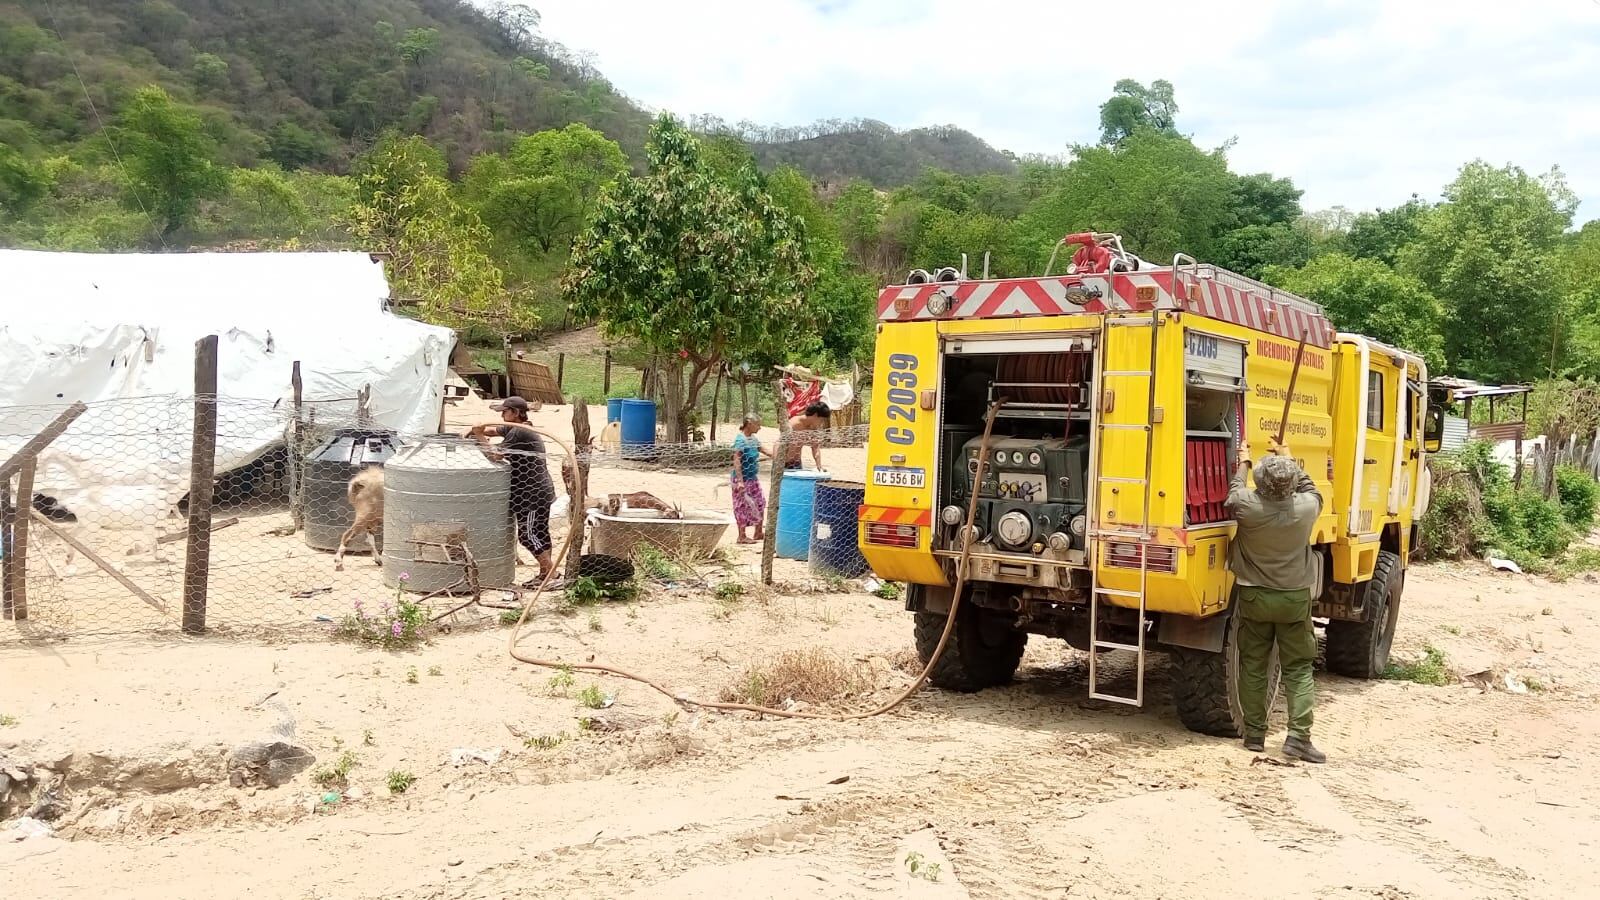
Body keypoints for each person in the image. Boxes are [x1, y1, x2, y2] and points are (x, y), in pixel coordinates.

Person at [1226, 436, 1326, 763]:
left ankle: (1255, 735)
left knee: (1253, 665)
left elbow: (1235, 489)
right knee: (1297, 668)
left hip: (1254, 596)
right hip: (1293, 599)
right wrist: (1288, 455)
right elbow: (1312, 488)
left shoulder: (1247, 506)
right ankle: (1298, 737)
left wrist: (1244, 460)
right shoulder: (1306, 508)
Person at [465, 396, 557, 586]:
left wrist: (480, 437)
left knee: (527, 535)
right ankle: (545, 573)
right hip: (538, 490)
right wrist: (474, 430)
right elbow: (495, 429)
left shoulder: (520, 433)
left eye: (504, 412)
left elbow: (496, 455)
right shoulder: (516, 428)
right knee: (539, 532)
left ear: (515, 413)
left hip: (532, 493)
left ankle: (551, 573)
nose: (501, 415)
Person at [730, 416, 771, 544]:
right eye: (757, 425)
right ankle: (741, 536)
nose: (760, 427)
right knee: (742, 506)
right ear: (749, 424)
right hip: (742, 479)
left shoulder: (753, 439)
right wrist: (740, 481)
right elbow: (736, 460)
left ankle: (758, 532)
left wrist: (779, 455)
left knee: (760, 503)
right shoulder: (740, 440)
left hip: (753, 478)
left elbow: (764, 450)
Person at [783, 402, 830, 470]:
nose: (822, 423)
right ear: (815, 415)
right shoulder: (793, 423)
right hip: (783, 463)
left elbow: (815, 447)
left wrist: (819, 466)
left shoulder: (813, 428)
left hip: (797, 464)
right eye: (821, 420)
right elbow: (779, 443)